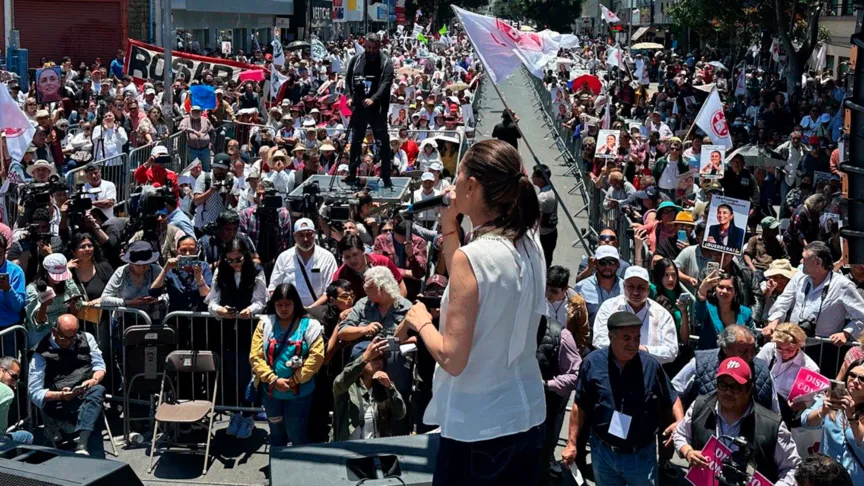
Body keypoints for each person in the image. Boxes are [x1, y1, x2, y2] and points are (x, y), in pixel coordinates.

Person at [400, 139, 547, 484]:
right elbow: (468, 279)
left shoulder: (476, 256)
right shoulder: (530, 241)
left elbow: (452, 358)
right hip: (526, 415)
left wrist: (422, 324)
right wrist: (450, 224)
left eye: (459, 174)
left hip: (478, 430)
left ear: (472, 185)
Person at [561, 312, 683, 485]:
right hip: (603, 452)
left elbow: (672, 397)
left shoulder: (650, 365)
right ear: (611, 336)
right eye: (626, 338)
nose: (633, 344)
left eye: (637, 338)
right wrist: (571, 443)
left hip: (640, 455)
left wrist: (680, 421)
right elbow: (579, 405)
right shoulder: (592, 363)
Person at [672, 357, 801, 486]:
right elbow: (680, 434)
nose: (728, 392)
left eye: (735, 387)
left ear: (749, 389)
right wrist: (687, 451)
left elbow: (792, 468)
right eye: (723, 385)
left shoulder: (772, 426)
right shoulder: (699, 407)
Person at [249, 283, 325, 447]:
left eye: (288, 304)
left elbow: (316, 357)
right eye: (279, 305)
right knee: (276, 433)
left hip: (299, 394)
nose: (284, 309)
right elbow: (255, 356)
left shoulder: (310, 326)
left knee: (296, 433)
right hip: (271, 393)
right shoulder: (265, 323)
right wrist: (273, 379)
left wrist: (295, 380)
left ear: (295, 304)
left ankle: (299, 470)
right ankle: (277, 467)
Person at [28, 314, 107, 456]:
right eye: (65, 338)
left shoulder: (87, 338)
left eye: (73, 337)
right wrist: (62, 395)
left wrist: (93, 380)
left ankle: (83, 445)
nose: (70, 342)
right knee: (94, 413)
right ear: (54, 332)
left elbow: (100, 366)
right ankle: (89, 451)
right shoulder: (40, 353)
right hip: (60, 402)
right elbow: (34, 392)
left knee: (97, 390)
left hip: (86, 393)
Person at [764, 241, 864, 344]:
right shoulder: (799, 277)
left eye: (805, 259)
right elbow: (783, 301)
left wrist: (845, 333)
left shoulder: (842, 285)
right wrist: (774, 321)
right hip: (793, 343)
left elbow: (862, 315)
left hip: (823, 347)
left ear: (818, 263)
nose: (801, 261)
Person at [672, 325, 779, 412]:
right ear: (726, 349)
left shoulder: (763, 370)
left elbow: (774, 411)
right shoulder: (700, 364)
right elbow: (673, 393)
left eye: (753, 349)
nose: (750, 355)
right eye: (743, 351)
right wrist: (679, 421)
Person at [593, 266, 679, 365]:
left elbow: (671, 351)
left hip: (647, 371)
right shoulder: (608, 307)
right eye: (631, 287)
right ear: (624, 286)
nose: (635, 292)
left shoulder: (662, 314)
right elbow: (599, 340)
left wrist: (643, 350)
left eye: (641, 287)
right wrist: (629, 351)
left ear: (648, 288)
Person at [801, 358, 864, 482]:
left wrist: (852, 418)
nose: (856, 381)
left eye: (863, 379)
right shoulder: (832, 398)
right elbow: (805, 422)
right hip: (825, 478)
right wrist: (822, 411)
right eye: (852, 375)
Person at [332, 337, 406, 441]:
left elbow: (400, 413)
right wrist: (365, 357)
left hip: (375, 452)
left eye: (381, 359)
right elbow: (340, 382)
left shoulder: (383, 387)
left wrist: (390, 388)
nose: (379, 362)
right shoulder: (347, 387)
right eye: (374, 359)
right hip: (348, 452)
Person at [344, 34, 395, 187]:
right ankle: (351, 173)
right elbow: (348, 80)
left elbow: (385, 84)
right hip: (359, 107)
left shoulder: (386, 62)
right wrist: (349, 96)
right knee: (356, 141)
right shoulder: (356, 60)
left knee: (382, 142)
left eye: (374, 48)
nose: (371, 51)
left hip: (377, 109)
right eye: (368, 48)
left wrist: (373, 98)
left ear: (379, 46)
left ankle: (386, 176)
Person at [756, 323, 820, 427]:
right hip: (761, 401)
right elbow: (756, 371)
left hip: (783, 411)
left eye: (789, 349)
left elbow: (810, 400)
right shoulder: (769, 349)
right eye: (780, 348)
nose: (784, 353)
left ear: (799, 345)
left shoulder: (810, 368)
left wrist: (800, 405)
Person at [269, 218, 338, 307]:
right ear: (294, 236)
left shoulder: (327, 257)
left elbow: (330, 290)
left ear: (315, 234)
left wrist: (310, 309)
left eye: (309, 234)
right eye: (300, 235)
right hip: (290, 313)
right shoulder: (284, 257)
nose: (305, 239)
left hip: (318, 311)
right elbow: (274, 286)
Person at [26, 253, 84, 346]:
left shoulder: (67, 284)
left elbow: (76, 311)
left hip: (64, 335)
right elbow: (37, 321)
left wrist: (73, 307)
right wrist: (43, 305)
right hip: (41, 336)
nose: (59, 280)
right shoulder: (32, 289)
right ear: (45, 272)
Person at [150, 235, 212, 313]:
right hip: (176, 319)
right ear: (177, 251)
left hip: (200, 319)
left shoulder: (204, 266)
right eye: (183, 250)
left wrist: (199, 277)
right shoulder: (170, 269)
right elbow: (153, 292)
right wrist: (166, 269)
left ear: (196, 250)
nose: (188, 254)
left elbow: (207, 297)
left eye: (192, 250)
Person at [332, 234, 406, 299]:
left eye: (355, 254)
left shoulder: (383, 262)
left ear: (363, 250)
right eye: (347, 257)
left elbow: (402, 289)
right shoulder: (339, 275)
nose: (352, 260)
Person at [694, 271, 754, 349]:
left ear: (735, 292)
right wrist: (702, 291)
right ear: (715, 289)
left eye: (729, 288)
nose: (724, 291)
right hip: (710, 356)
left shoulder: (746, 313)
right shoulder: (707, 308)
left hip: (736, 358)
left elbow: (752, 337)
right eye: (721, 287)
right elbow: (699, 315)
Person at [372, 219, 427, 300]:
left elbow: (419, 274)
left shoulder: (419, 242)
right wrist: (406, 273)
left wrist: (412, 257)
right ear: (392, 222)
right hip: (388, 291)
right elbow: (377, 268)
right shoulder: (381, 240)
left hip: (411, 293)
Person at [574, 245, 623, 326]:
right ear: (595, 263)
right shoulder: (581, 287)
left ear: (618, 264)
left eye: (612, 263)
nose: (607, 267)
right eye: (603, 262)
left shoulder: (626, 288)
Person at [0, 357, 31, 444]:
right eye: (14, 376)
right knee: (27, 436)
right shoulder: (7, 392)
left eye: (16, 379)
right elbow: (1, 429)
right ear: (2, 370)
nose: (14, 382)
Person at [533, 164, 558, 269]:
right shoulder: (552, 190)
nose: (532, 178)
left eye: (534, 176)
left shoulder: (542, 198)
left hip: (543, 235)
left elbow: (538, 219)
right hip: (552, 232)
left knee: (541, 263)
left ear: (541, 179)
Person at [0, 235, 26, 332]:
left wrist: (8, 289)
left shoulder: (15, 271)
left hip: (8, 330)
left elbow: (17, 307)